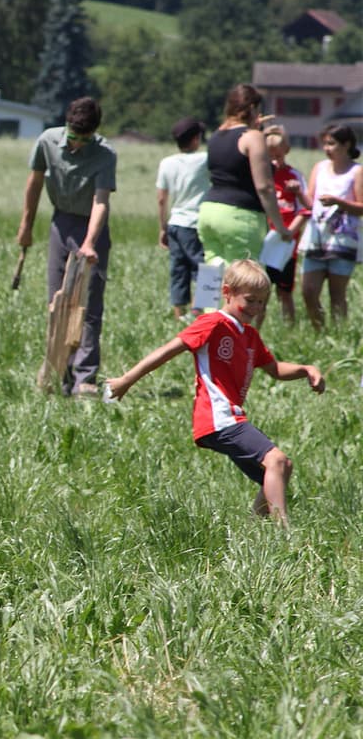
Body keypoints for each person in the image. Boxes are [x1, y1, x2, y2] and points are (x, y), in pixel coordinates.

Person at [106, 260, 324, 528]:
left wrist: (306, 369)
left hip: (231, 418)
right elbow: (167, 351)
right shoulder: (211, 324)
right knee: (276, 460)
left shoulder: (250, 335)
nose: (256, 309)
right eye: (250, 300)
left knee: (281, 467)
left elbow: (275, 369)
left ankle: (253, 529)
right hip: (218, 417)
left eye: (261, 303)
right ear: (227, 292)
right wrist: (127, 380)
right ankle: (284, 533)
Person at [17, 96, 117, 396]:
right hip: (60, 222)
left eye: (83, 140)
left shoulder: (105, 154)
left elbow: (101, 201)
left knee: (88, 303)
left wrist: (89, 243)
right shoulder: (48, 141)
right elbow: (34, 182)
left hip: (91, 226)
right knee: (58, 300)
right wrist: (26, 225)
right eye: (72, 137)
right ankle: (57, 371)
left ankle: (84, 377)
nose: (76, 145)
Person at [197, 84, 291, 271]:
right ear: (253, 108)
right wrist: (280, 227)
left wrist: (255, 129)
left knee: (212, 280)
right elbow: (264, 186)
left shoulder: (216, 135)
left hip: (209, 212)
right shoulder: (253, 137)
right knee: (244, 281)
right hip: (239, 217)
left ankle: (204, 301)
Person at [300, 124, 363, 330]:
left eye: (332, 143)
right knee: (308, 290)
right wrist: (297, 193)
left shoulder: (356, 171)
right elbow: (310, 202)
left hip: (343, 239)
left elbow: (361, 207)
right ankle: (320, 330)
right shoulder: (319, 168)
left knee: (337, 294)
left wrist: (339, 202)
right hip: (316, 236)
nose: (327, 148)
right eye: (325, 143)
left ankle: (338, 334)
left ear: (346, 145)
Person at [156, 117, 210, 321]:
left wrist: (162, 227)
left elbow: (162, 199)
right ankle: (201, 311)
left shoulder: (166, 163)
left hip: (175, 223)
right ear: (195, 139)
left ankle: (179, 314)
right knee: (204, 267)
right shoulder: (203, 159)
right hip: (195, 222)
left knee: (178, 269)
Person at [261, 125, 313, 325]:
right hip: (265, 240)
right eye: (270, 157)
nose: (275, 162)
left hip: (285, 243)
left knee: (284, 291)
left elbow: (307, 208)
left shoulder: (293, 176)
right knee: (261, 290)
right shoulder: (263, 176)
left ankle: (289, 327)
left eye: (278, 157)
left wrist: (291, 231)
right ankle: (255, 327)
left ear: (286, 152)